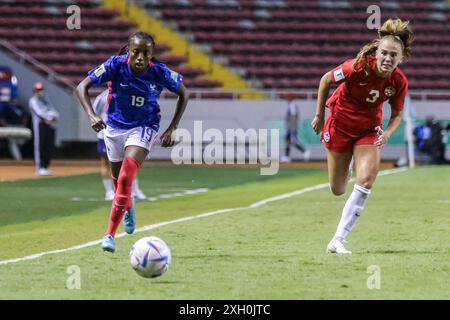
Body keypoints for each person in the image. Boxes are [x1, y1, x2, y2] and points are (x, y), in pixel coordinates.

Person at [76, 31, 189, 253]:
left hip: (144, 127)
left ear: (151, 55)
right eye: (136, 52)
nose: (140, 57)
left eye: (146, 53)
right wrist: (91, 114)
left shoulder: (159, 72)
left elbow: (183, 93)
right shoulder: (114, 66)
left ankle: (109, 235)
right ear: (128, 51)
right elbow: (81, 87)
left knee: (126, 177)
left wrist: (173, 126)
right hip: (115, 128)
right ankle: (128, 205)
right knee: (119, 183)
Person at [311, 19, 414, 254]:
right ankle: (345, 165)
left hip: (368, 130)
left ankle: (338, 239)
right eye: (384, 53)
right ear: (376, 53)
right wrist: (318, 115)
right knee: (338, 189)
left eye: (393, 55)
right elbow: (326, 79)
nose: (388, 59)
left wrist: (387, 133)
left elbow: (397, 114)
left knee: (366, 180)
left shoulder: (398, 81)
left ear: (401, 58)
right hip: (339, 126)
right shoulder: (357, 67)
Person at [93, 88, 148, 200]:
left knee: (130, 162)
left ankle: (134, 190)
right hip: (106, 134)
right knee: (106, 163)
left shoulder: (126, 92)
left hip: (125, 132)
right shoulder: (102, 97)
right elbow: (94, 113)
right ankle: (109, 192)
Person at [29, 81, 59, 176]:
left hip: (48, 124)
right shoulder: (33, 101)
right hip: (40, 125)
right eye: (38, 90)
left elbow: (53, 110)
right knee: (40, 146)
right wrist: (49, 117)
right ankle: (39, 167)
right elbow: (39, 113)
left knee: (48, 146)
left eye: (41, 89)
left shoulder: (45, 100)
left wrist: (54, 116)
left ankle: (45, 167)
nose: (40, 91)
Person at [280, 94, 310, 162]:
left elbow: (294, 116)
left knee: (293, 141)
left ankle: (304, 151)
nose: (286, 99)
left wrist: (292, 127)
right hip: (291, 126)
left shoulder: (292, 105)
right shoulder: (291, 105)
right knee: (288, 141)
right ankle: (286, 156)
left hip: (291, 127)